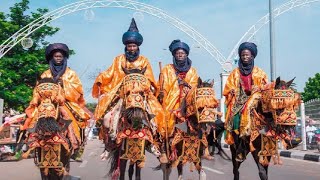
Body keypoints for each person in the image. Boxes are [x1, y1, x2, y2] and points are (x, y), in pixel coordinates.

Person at [92, 18, 166, 154]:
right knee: (106, 116)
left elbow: (149, 79)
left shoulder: (144, 60)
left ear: (138, 46)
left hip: (141, 94)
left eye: (134, 46)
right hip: (122, 93)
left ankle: (155, 144)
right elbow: (110, 73)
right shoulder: (118, 59)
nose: (131, 48)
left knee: (158, 115)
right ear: (126, 46)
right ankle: (110, 142)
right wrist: (100, 80)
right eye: (129, 46)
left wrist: (148, 89)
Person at [22, 43, 91, 161]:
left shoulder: (71, 73)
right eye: (56, 56)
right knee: (31, 118)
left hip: (65, 102)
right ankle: (27, 143)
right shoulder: (45, 73)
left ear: (64, 58)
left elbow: (78, 89)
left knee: (79, 119)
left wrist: (63, 85)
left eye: (60, 56)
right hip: (46, 103)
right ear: (51, 58)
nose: (58, 58)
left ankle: (76, 146)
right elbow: (37, 89)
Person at [223, 42, 268, 161]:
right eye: (243, 55)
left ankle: (279, 139)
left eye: (247, 55)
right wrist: (232, 91)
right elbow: (228, 88)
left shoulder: (260, 72)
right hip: (239, 100)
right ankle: (240, 144)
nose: (245, 57)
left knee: (272, 115)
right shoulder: (235, 73)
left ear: (252, 56)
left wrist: (260, 88)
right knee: (235, 118)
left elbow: (266, 87)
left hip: (256, 99)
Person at [157, 39, 199, 158]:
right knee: (164, 117)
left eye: (182, 53)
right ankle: (163, 148)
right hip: (172, 99)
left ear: (186, 55)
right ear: (174, 55)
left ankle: (203, 145)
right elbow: (163, 86)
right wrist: (161, 92)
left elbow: (194, 86)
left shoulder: (193, 70)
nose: (180, 55)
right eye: (177, 53)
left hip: (188, 99)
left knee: (202, 117)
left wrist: (185, 88)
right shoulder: (167, 69)